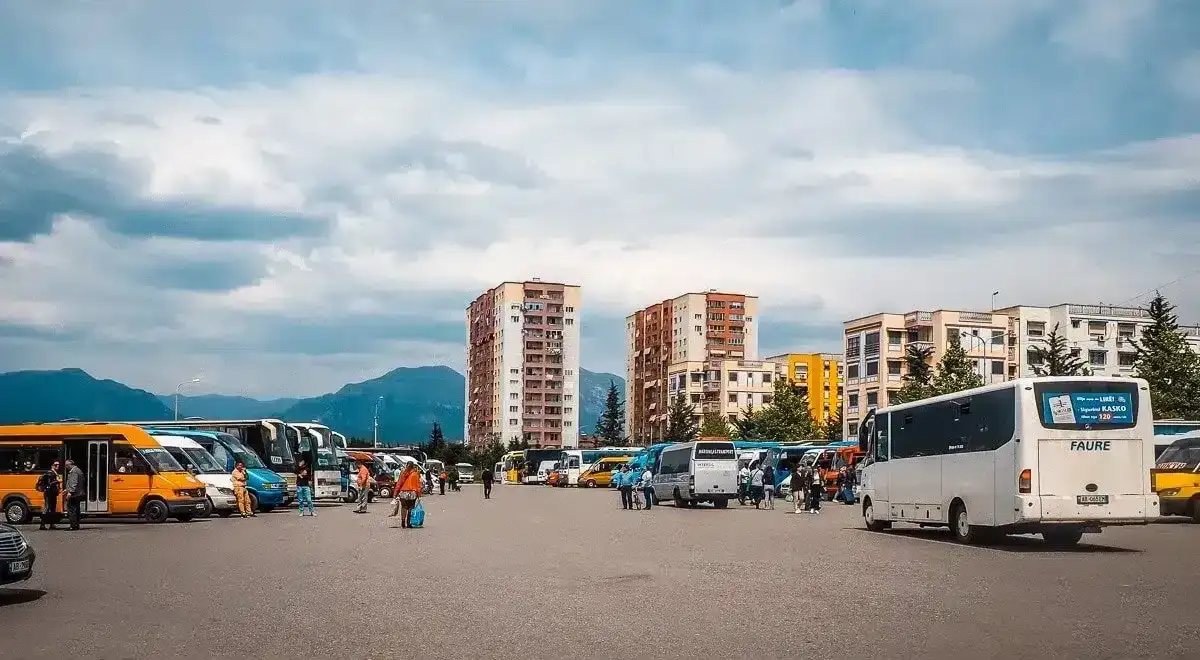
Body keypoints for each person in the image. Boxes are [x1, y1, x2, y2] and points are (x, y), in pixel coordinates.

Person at [390, 462, 423, 527]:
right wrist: (419, 495)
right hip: (412, 493)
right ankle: (408, 523)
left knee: (404, 507)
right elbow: (418, 485)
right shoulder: (415, 474)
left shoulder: (403, 473)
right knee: (411, 508)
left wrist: (395, 493)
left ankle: (403, 521)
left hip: (403, 492)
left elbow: (399, 483)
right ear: (413, 466)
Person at [36, 460, 62, 530]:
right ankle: (42, 524)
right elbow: (48, 484)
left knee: (53, 508)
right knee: (47, 508)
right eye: (55, 465)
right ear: (52, 466)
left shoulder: (55, 473)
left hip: (53, 493)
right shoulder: (49, 473)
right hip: (49, 493)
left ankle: (51, 524)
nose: (57, 466)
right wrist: (56, 482)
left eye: (58, 465)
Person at [63, 458, 85, 530]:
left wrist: (70, 492)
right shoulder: (79, 470)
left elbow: (74, 482)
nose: (66, 467)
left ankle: (73, 525)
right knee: (77, 509)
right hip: (79, 493)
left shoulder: (74, 471)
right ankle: (76, 525)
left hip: (74, 494)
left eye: (67, 465)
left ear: (71, 464)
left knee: (71, 510)